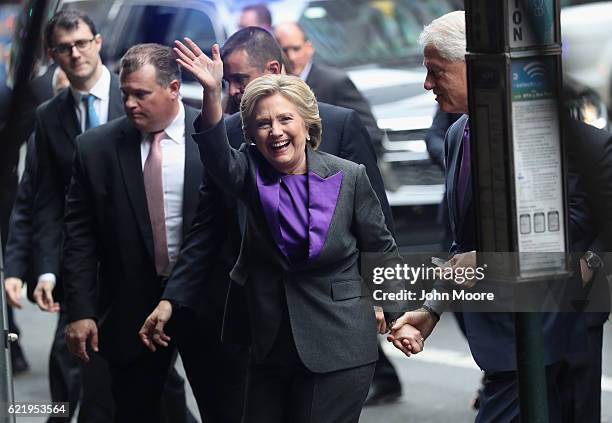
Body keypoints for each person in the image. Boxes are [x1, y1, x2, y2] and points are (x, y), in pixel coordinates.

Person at [141, 38, 420, 422]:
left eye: (285, 120)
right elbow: (216, 157)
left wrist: (398, 314)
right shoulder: (248, 172)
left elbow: (382, 247)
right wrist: (211, 94)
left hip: (339, 343)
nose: (275, 131)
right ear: (251, 134)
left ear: (307, 124)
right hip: (267, 342)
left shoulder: (348, 176)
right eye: (262, 124)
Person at [388, 11, 592, 423]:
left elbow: (572, 232)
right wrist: (431, 309)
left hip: (546, 338)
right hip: (502, 346)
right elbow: (463, 247)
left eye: (436, 72)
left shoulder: (539, 131)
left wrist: (490, 262)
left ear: (474, 64)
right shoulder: (455, 133)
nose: (428, 84)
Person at [60, 42, 228, 422]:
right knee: (137, 410)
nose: (131, 103)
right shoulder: (96, 148)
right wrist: (81, 310)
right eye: (125, 94)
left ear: (172, 89)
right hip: (132, 307)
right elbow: (79, 237)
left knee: (226, 408)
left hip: (209, 301)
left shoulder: (216, 134)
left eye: (141, 94)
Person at [28, 10, 124, 421]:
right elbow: (47, 200)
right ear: (53, 55)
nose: (76, 53)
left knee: (157, 378)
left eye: (82, 42)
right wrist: (46, 271)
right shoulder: (49, 116)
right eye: (65, 48)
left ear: (98, 42)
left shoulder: (134, 96)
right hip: (79, 266)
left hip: (138, 263)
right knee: (73, 366)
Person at [274, 22, 384, 155]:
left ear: (309, 47)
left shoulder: (335, 82)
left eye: (296, 49)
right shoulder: (275, 89)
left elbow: (369, 132)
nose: (291, 57)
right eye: (284, 50)